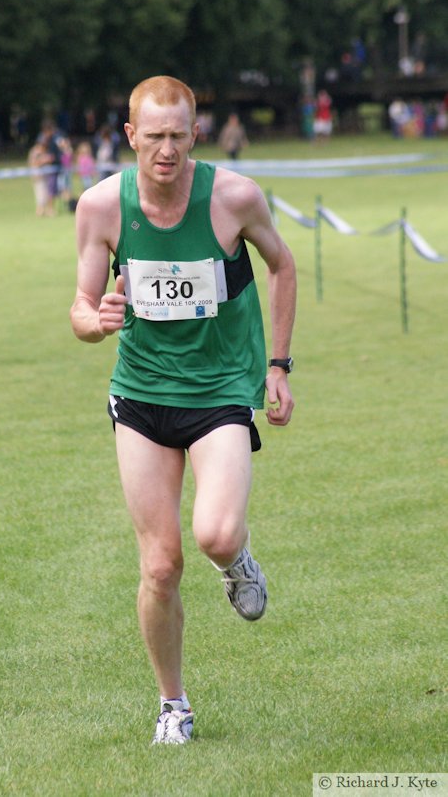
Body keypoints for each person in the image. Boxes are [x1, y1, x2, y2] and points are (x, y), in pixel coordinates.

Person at [70, 76, 296, 745]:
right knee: (160, 565)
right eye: (153, 136)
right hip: (140, 392)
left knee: (217, 535)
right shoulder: (101, 207)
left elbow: (282, 266)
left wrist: (278, 366)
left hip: (221, 388)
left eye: (178, 135)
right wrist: (98, 320)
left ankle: (238, 563)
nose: (165, 150)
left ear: (195, 134)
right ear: (130, 136)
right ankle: (174, 705)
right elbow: (81, 310)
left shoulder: (232, 197)